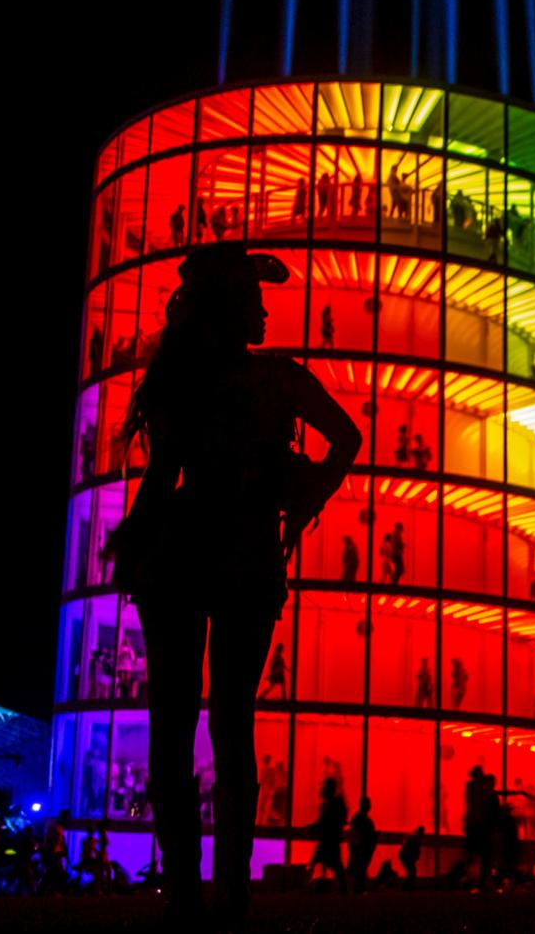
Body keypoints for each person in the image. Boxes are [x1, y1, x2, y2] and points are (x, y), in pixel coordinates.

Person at [103, 241, 362, 925]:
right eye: (253, 298)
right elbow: (347, 436)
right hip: (245, 551)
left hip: (184, 549)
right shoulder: (277, 380)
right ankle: (229, 890)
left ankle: (188, 890)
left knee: (175, 719)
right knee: (230, 721)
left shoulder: (180, 381)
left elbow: (161, 482)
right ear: (230, 306)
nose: (264, 309)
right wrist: (307, 492)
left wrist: (135, 541)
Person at [307, 778, 348, 893]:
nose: (323, 790)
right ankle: (343, 889)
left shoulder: (331, 805)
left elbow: (325, 821)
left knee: (324, 862)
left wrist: (313, 828)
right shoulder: (335, 804)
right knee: (335, 865)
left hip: (328, 840)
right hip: (330, 839)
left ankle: (307, 885)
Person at [348, 797, 377, 893]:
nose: (369, 806)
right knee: (360, 869)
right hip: (361, 848)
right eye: (367, 804)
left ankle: (358, 889)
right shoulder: (362, 819)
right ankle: (358, 889)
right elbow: (357, 834)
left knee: (359, 869)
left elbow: (353, 833)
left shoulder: (359, 818)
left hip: (360, 848)